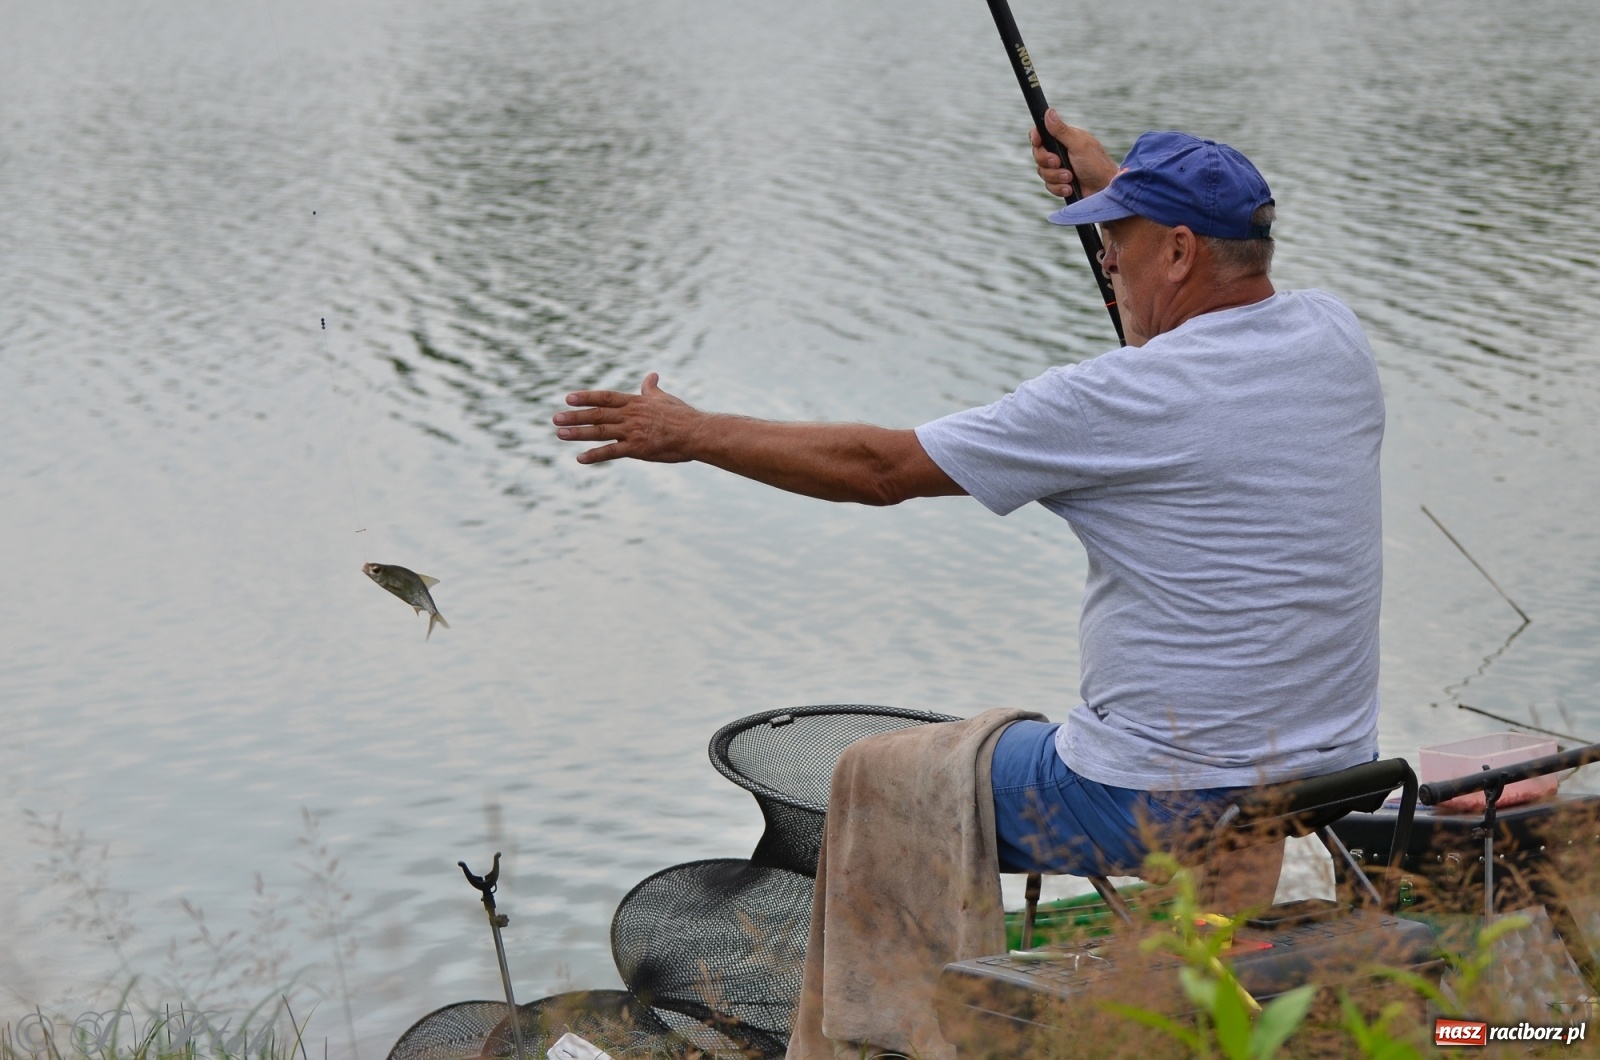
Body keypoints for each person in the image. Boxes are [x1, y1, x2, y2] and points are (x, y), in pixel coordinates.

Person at [551, 111, 1383, 882]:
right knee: (1220, 752)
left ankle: (903, 1000)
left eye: (1116, 241)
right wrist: (1112, 187)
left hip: (1152, 795)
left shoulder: (1116, 399)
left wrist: (694, 433)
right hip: (1331, 772)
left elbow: (879, 470)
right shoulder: (1333, 337)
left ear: (1177, 252)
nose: (1105, 260)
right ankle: (1216, 949)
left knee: (872, 779)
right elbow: (1206, 288)